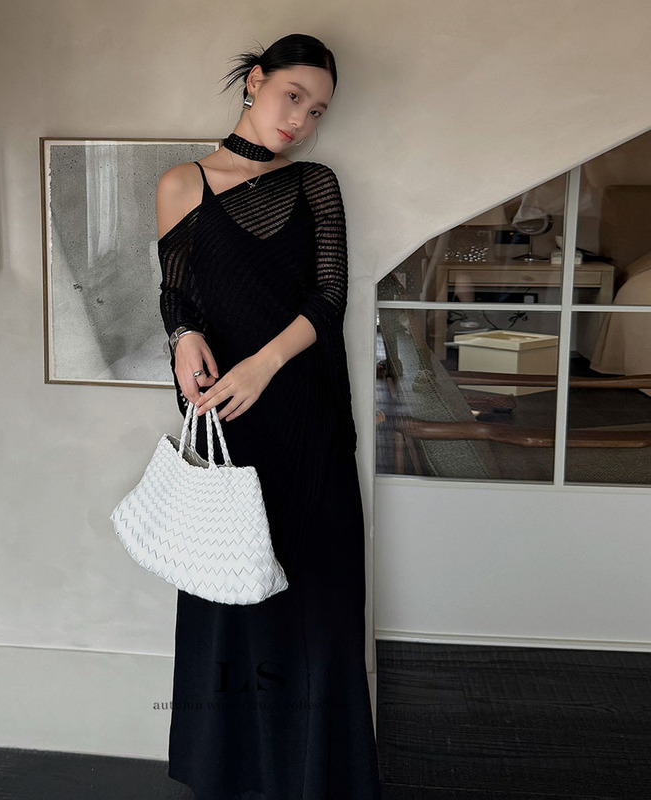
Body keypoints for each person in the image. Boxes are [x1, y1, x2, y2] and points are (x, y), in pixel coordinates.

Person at [156, 33, 380, 800]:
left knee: (318, 601)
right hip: (230, 429)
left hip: (307, 422)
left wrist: (262, 364)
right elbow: (176, 294)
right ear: (255, 81)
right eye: (294, 97)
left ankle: (318, 780)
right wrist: (182, 339)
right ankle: (231, 775)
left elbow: (329, 296)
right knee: (232, 597)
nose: (302, 119)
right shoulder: (183, 184)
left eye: (317, 110)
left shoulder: (315, 183)